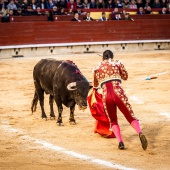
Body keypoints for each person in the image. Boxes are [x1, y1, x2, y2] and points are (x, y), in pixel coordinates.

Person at [88, 50, 148, 150]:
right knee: (130, 117)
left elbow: (95, 85)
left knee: (113, 121)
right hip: (118, 93)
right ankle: (139, 132)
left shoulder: (96, 68)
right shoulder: (117, 63)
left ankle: (120, 141)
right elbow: (125, 76)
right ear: (112, 56)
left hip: (106, 96)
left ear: (102, 58)